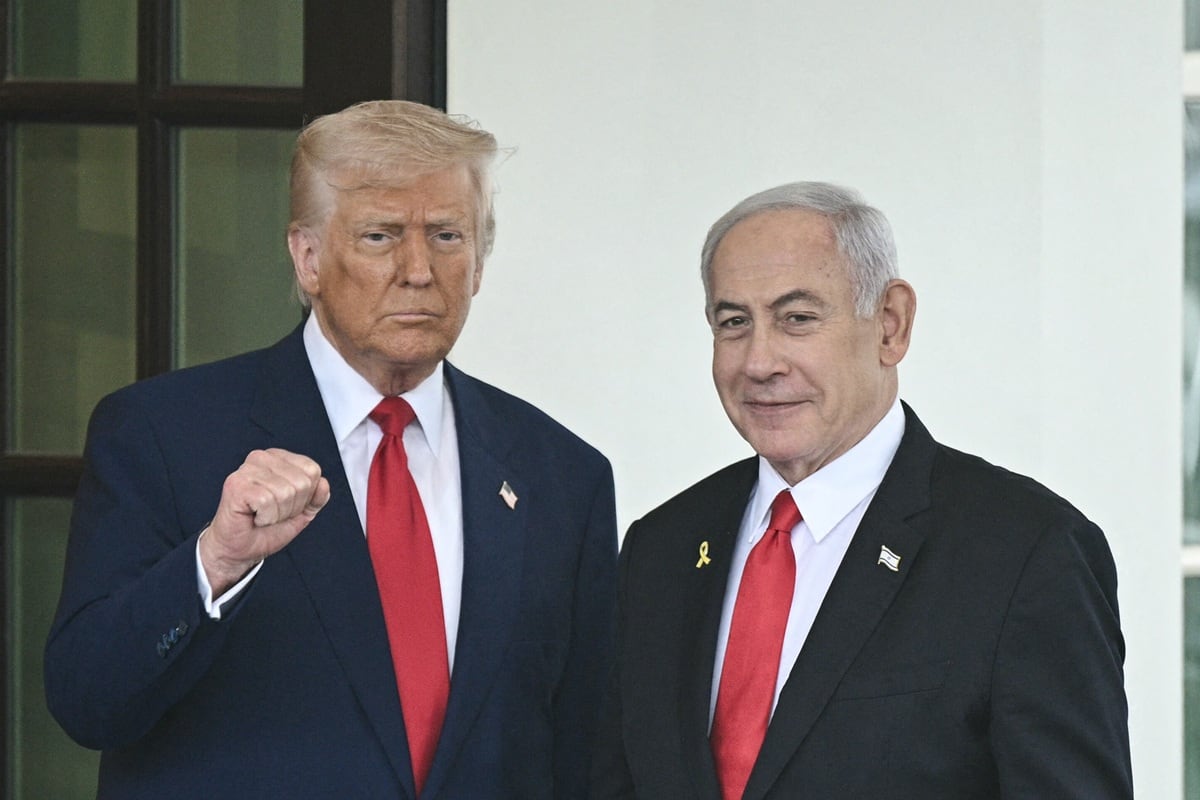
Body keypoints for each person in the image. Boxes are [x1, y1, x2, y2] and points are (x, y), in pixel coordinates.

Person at [45, 100, 617, 800]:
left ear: (479, 263)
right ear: (308, 257)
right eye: (380, 236)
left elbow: (585, 757)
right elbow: (87, 701)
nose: (418, 270)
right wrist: (215, 563)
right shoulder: (162, 434)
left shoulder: (562, 474)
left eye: (446, 235)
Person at [590, 181, 1132, 799]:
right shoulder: (661, 547)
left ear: (891, 326)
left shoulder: (1027, 552)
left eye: (798, 318)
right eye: (733, 322)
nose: (759, 361)